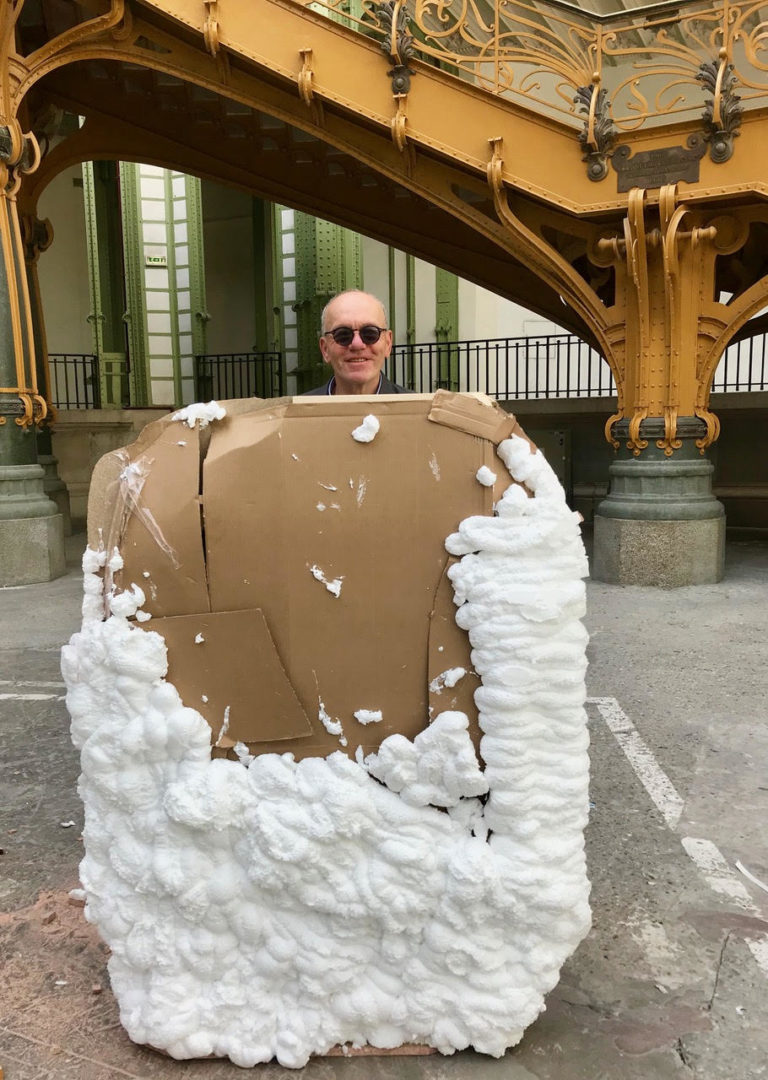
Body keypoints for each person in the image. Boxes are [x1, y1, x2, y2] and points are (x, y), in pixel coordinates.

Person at [301, 290, 413, 395]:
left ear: (388, 343)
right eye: (343, 335)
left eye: (370, 333)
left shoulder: (419, 411)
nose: (357, 344)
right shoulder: (297, 414)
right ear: (325, 349)